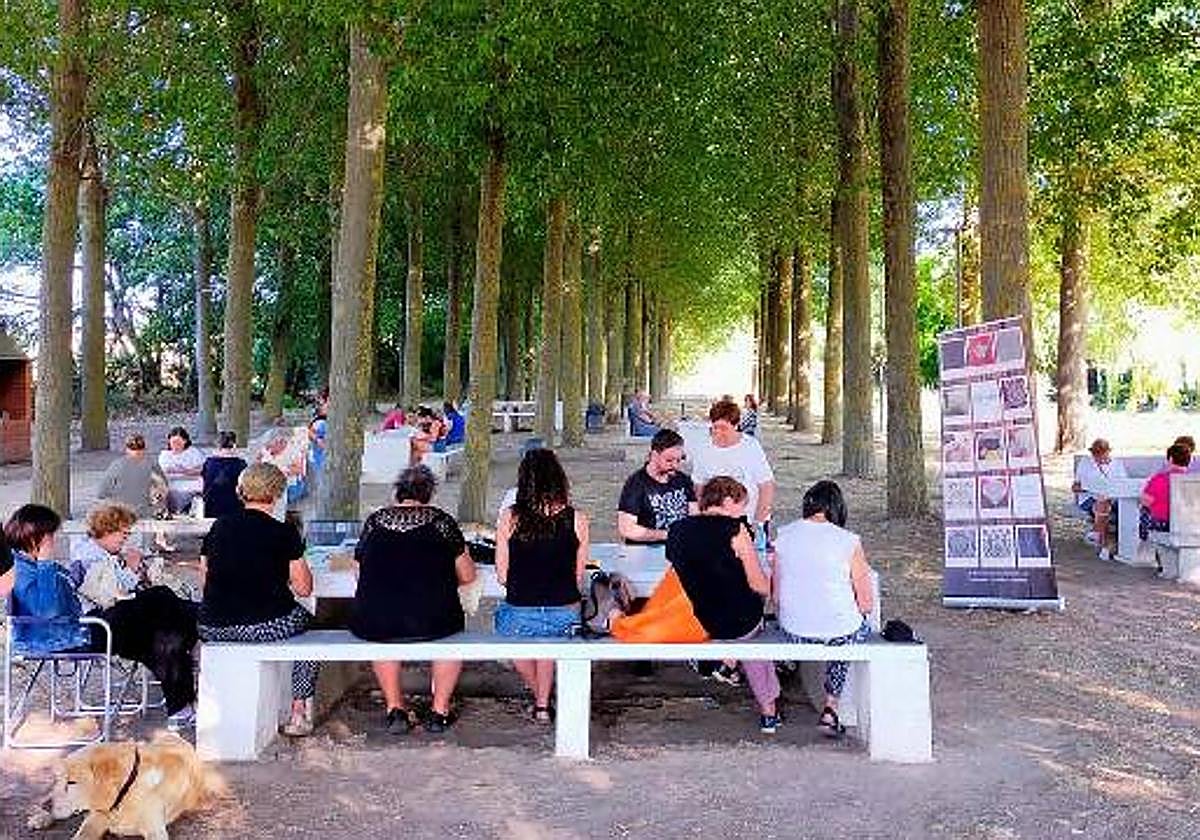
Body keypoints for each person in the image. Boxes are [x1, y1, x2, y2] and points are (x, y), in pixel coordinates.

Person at [5, 503, 199, 728]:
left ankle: (180, 709)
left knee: (165, 636)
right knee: (158, 597)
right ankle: (202, 618)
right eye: (51, 536)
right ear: (36, 537)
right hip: (71, 636)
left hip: (81, 626)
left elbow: (70, 590)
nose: (54, 541)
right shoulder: (23, 569)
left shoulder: (28, 565)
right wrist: (46, 563)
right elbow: (47, 612)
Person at [351, 466, 478, 734]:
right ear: (429, 494)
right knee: (451, 639)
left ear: (397, 492)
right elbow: (467, 576)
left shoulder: (375, 522)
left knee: (381, 632)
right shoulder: (442, 522)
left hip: (375, 619)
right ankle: (439, 711)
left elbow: (358, 571)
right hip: (434, 620)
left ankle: (395, 707)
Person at [198, 463, 318, 737]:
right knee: (311, 634)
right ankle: (298, 711)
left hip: (212, 624)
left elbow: (205, 579)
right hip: (263, 624)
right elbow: (303, 588)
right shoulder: (283, 532)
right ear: (276, 494)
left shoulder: (219, 527)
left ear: (242, 492)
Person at [666, 477, 778, 733]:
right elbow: (759, 585)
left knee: (745, 628)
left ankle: (728, 662)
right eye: (742, 506)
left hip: (700, 620)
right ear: (727, 502)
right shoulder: (735, 531)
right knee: (755, 638)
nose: (744, 513)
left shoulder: (677, 530)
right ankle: (768, 710)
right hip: (738, 622)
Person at [773, 480, 874, 737]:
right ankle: (831, 706)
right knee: (849, 634)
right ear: (837, 508)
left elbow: (776, 596)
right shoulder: (849, 541)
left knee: (839, 631)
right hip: (839, 630)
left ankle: (785, 668)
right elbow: (866, 602)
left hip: (793, 629)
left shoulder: (784, 535)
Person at [495, 448, 588, 722]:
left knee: (517, 644)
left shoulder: (510, 517)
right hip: (565, 611)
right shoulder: (577, 519)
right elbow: (578, 576)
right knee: (548, 644)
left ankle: (541, 700)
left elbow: (502, 575)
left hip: (520, 609)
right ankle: (543, 703)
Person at [690, 399, 776, 530]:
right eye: (715, 427)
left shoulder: (750, 446)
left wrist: (759, 521)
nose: (718, 432)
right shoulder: (703, 448)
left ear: (736, 425)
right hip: (714, 520)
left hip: (748, 517)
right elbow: (699, 487)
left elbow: (766, 486)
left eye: (724, 428)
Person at [617, 429, 697, 546]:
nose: (675, 465)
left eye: (679, 460)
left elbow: (694, 513)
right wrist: (667, 534)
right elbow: (627, 529)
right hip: (645, 551)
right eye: (669, 460)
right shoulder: (636, 484)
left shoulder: (683, 480)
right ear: (654, 455)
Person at [1072, 438, 1126, 561]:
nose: (1098, 456)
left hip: (1114, 497)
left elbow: (1124, 484)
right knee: (1102, 503)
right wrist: (1091, 487)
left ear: (1108, 452)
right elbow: (1075, 487)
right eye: (1096, 453)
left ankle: (1099, 536)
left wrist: (1109, 492)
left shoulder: (1117, 464)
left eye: (1102, 452)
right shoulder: (1085, 463)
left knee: (1108, 504)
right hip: (1089, 498)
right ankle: (1105, 545)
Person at [97, 433, 168, 519]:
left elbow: (102, 493)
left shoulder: (116, 465)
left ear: (127, 449)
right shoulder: (152, 465)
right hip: (147, 512)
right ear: (144, 449)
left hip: (122, 512)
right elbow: (164, 488)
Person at [1139, 442, 1192, 544]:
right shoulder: (1194, 481)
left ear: (1171, 459)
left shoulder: (1159, 479)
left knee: (1144, 510)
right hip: (1189, 527)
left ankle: (1143, 546)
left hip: (1164, 526)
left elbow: (1145, 501)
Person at [158, 427, 205, 515]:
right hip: (170, 483)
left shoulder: (193, 453)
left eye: (178, 443)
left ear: (185, 441)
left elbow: (201, 469)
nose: (175, 445)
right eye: (173, 443)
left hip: (191, 483)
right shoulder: (165, 455)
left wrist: (184, 471)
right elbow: (161, 472)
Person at [257, 427, 308, 506]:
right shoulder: (266, 450)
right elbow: (257, 464)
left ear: (280, 442)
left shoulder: (293, 451)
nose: (269, 449)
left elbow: (300, 470)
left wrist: (281, 469)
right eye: (268, 446)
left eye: (271, 446)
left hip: (289, 487)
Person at [202, 431, 247, 518]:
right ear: (234, 445)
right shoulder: (241, 464)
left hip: (211, 506)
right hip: (233, 508)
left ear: (218, 445)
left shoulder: (209, 463)